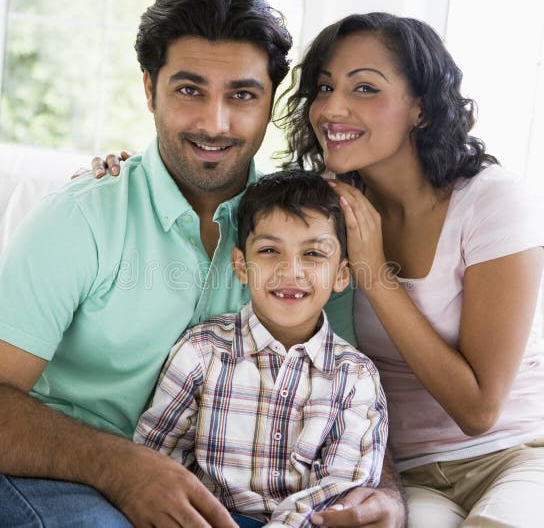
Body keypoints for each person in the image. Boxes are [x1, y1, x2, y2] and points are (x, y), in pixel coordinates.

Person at [0, 0, 404, 527]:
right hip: (44, 470)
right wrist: (123, 468)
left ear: (270, 100)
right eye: (189, 90)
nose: (215, 122)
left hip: (214, 494)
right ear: (148, 89)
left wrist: (383, 491)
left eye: (242, 95)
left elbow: (345, 383)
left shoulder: (304, 237)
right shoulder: (82, 218)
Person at [277, 12, 544, 527]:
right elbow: (239, 205)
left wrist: (375, 276)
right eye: (324, 86)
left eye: (365, 87)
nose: (332, 108)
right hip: (406, 477)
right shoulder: (327, 209)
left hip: (521, 455)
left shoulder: (491, 202)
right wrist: (110, 168)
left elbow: (478, 411)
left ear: (421, 109)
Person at [135, 170, 389, 527]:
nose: (291, 270)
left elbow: (341, 488)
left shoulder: (356, 377)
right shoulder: (201, 353)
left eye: (314, 253)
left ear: (341, 275)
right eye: (270, 250)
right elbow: (156, 460)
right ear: (241, 265)